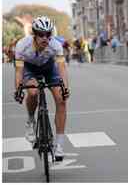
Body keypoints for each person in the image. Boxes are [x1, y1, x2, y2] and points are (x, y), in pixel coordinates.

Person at [14, 16, 70, 161]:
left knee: (61, 100)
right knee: (32, 92)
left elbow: (62, 68)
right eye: (41, 34)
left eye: (48, 34)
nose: (45, 38)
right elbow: (19, 71)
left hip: (48, 68)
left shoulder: (56, 45)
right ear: (34, 34)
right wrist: (18, 89)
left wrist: (65, 87)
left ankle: (59, 145)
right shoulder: (22, 45)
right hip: (29, 68)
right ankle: (31, 120)